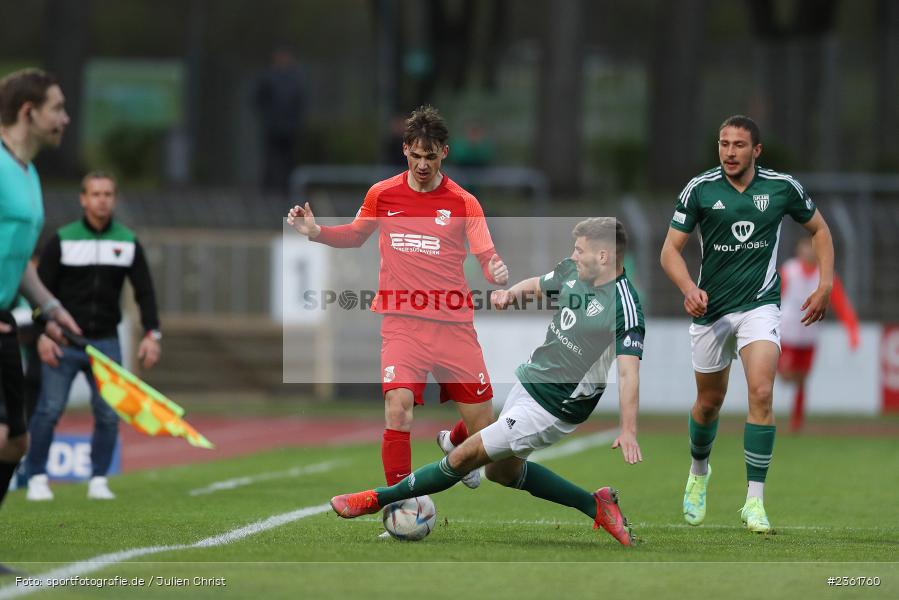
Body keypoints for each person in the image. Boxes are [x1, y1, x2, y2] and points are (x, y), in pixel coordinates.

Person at [329, 218, 644, 547]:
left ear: (605, 256)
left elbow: (628, 372)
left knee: (465, 457)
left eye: (580, 251)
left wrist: (629, 429)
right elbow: (538, 285)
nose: (573, 256)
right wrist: (510, 295)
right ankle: (597, 505)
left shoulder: (624, 307)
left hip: (555, 406)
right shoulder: (573, 271)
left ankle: (376, 499)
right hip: (530, 382)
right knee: (501, 472)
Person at [287, 106, 509, 499]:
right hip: (402, 324)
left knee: (484, 428)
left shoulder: (464, 202)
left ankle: (456, 443)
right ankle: (400, 504)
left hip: (453, 326)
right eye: (416, 155)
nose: (422, 164)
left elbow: (486, 256)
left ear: (444, 152)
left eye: (431, 155)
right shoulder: (382, 194)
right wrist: (316, 231)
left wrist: (496, 272)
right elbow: (356, 235)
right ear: (405, 149)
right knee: (398, 409)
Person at [660, 115, 834, 534]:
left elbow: (820, 230)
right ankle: (698, 473)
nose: (729, 152)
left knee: (761, 391)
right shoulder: (699, 189)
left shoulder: (781, 187)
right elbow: (670, 250)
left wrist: (826, 284)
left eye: (739, 145)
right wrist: (688, 288)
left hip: (760, 306)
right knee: (708, 404)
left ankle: (754, 502)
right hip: (711, 310)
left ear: (756, 151)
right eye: (723, 144)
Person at [25, 171, 162, 501]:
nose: (102, 200)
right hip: (64, 340)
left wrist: (151, 334)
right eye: (95, 194)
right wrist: (43, 334)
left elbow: (145, 292)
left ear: (114, 199)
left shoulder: (127, 241)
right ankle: (37, 477)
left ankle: (99, 478)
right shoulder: (63, 239)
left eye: (108, 194)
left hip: (106, 341)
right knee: (49, 409)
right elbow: (38, 292)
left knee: (106, 412)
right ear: (83, 199)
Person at [0, 68, 81, 512]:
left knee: (15, 442)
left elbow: (19, 259)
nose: (66, 118)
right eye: (58, 108)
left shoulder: (27, 172)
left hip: (7, 319)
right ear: (28, 112)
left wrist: (50, 307)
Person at [779, 237, 859, 432]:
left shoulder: (826, 277)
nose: (808, 251)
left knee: (802, 379)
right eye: (805, 246)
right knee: (787, 375)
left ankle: (797, 422)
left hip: (809, 336)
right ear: (799, 249)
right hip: (787, 334)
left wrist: (852, 331)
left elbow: (841, 304)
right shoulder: (789, 270)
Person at [254, 47, 305, 194]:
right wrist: (268, 116)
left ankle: (286, 189)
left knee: (289, 159)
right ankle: (268, 189)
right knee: (270, 158)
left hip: (290, 127)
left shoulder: (295, 79)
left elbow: (300, 102)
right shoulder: (267, 78)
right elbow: (259, 99)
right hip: (273, 126)